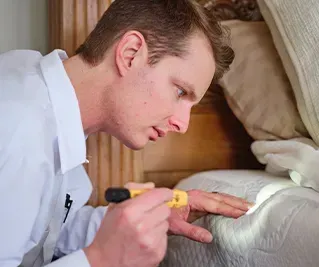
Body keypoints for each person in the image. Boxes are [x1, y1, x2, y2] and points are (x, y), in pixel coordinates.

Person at [0, 0, 252, 266]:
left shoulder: (36, 90)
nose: (183, 124)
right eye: (180, 92)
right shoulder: (18, 129)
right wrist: (101, 259)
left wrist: (143, 220)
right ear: (130, 54)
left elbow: (46, 231)